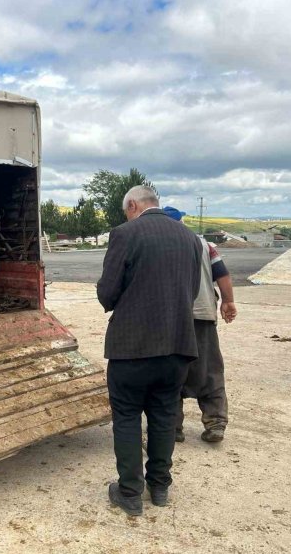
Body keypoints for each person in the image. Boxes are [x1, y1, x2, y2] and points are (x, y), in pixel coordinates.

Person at [97, 186, 202, 514]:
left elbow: (107, 293)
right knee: (163, 415)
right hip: (177, 346)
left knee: (127, 416)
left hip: (132, 347)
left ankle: (129, 492)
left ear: (132, 205)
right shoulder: (190, 238)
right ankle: (159, 487)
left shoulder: (125, 233)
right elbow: (193, 290)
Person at [161, 206, 237, 443]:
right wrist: (228, 301)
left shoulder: (159, 245)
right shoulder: (204, 244)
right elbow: (222, 274)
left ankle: (171, 427)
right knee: (209, 370)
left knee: (169, 372)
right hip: (202, 315)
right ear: (181, 222)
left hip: (170, 320)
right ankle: (215, 423)